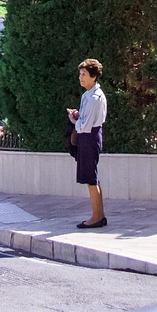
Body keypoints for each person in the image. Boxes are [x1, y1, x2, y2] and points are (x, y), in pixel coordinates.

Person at [66, 57, 108, 229]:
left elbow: (85, 125)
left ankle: (97, 217)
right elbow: (85, 118)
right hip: (88, 135)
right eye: (80, 74)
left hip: (90, 137)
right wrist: (78, 115)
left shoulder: (94, 98)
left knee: (91, 178)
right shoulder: (87, 95)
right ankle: (99, 215)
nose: (81, 77)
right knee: (92, 177)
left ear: (93, 76)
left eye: (84, 74)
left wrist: (73, 120)